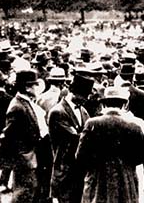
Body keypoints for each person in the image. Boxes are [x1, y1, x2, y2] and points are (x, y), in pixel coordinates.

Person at [75, 86, 144, 203]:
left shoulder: (92, 124)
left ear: (103, 105)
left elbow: (81, 156)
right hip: (126, 181)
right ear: (124, 105)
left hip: (97, 180)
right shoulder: (134, 126)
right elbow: (141, 156)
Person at [0, 69, 46, 202]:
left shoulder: (25, 102)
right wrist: (24, 156)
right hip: (25, 161)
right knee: (23, 194)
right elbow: (9, 136)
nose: (37, 87)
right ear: (27, 87)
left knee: (30, 192)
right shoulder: (17, 106)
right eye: (35, 85)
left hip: (30, 159)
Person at [48, 74, 94, 203]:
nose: (86, 99)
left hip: (80, 173)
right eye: (84, 96)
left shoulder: (83, 111)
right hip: (65, 173)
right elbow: (75, 138)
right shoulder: (58, 112)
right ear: (73, 92)